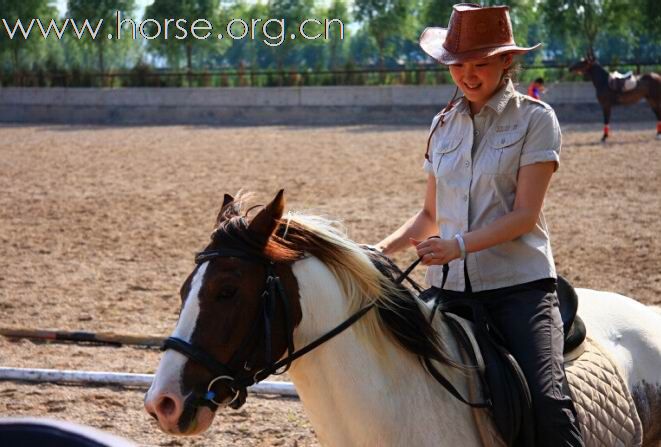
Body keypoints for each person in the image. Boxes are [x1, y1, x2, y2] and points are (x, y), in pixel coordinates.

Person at [375, 4, 583, 447]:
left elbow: (524, 215)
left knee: (548, 403)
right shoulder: (441, 126)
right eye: (458, 65)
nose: (468, 75)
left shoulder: (536, 119)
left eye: (480, 64)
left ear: (506, 60)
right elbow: (429, 214)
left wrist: (457, 246)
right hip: (447, 290)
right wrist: (378, 250)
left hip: (517, 287)